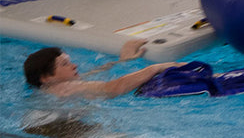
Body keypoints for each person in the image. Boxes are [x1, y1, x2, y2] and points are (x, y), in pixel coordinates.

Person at [24, 39, 175, 98]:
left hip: (52, 132)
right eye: (65, 64)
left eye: (70, 61)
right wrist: (155, 68)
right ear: (45, 77)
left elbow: (94, 73)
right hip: (61, 133)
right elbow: (114, 88)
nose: (74, 65)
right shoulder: (65, 88)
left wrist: (123, 60)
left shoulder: (47, 90)